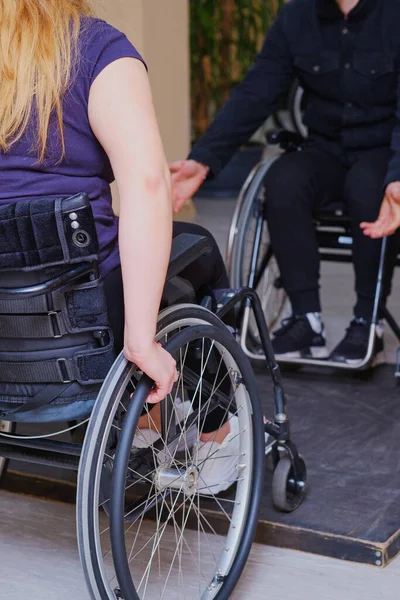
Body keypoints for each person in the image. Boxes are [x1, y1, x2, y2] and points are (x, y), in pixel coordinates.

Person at [0, 0, 237, 491]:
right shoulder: (96, 50)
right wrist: (140, 339)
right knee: (201, 255)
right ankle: (216, 431)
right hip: (81, 323)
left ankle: (148, 428)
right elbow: (148, 184)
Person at [171, 0, 400, 364]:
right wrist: (203, 160)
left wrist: (398, 175)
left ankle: (365, 320)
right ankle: (306, 319)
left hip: (383, 151)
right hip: (326, 148)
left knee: (369, 186)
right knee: (284, 179)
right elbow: (256, 92)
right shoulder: (298, 15)